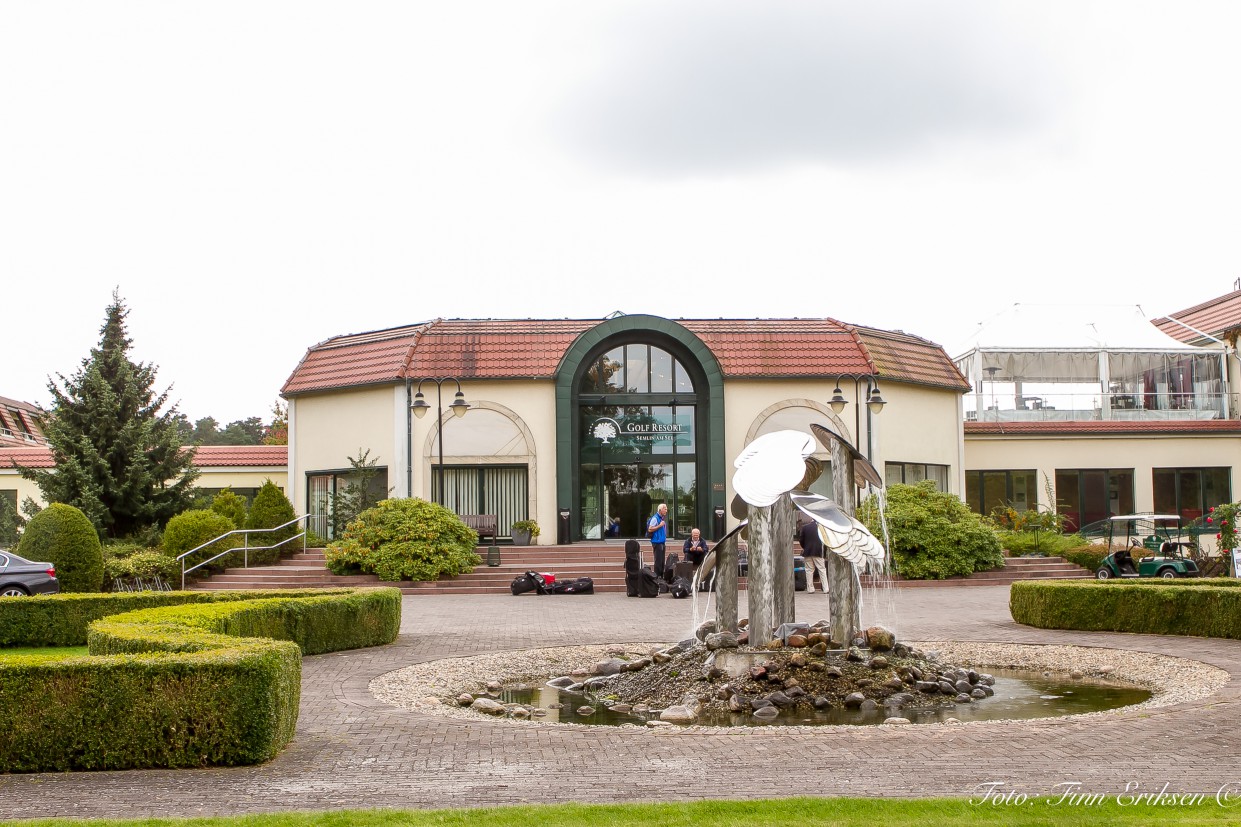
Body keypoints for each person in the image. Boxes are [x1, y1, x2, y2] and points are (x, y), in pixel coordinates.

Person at [798, 518, 828, 594]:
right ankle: (825, 588)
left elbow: (801, 540)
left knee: (809, 570)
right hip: (818, 552)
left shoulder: (805, 527)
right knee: (822, 570)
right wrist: (824, 552)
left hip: (808, 551)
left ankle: (810, 589)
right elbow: (825, 541)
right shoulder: (821, 528)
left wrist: (805, 547)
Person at [646, 503, 668, 577]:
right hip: (657, 542)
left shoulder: (661, 518)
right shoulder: (655, 518)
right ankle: (657, 577)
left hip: (662, 542)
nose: (666, 511)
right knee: (658, 561)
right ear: (660, 510)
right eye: (665, 509)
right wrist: (660, 525)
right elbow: (650, 529)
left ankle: (661, 576)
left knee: (662, 561)